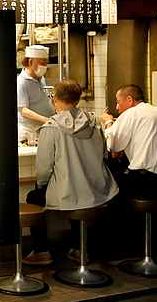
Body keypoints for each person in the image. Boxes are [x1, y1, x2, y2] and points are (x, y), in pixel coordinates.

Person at [24, 80, 119, 266]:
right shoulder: (94, 122)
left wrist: (43, 184)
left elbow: (43, 169)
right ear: (77, 100)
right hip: (98, 191)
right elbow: (103, 154)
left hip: (69, 194)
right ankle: (78, 247)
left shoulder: (51, 127)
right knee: (82, 199)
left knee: (34, 196)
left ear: (55, 100)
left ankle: (43, 251)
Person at [100, 84, 157, 261]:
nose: (116, 107)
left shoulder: (130, 114)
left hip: (146, 180)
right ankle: (150, 252)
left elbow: (113, 145)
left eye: (118, 102)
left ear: (129, 100)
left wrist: (107, 122)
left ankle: (117, 251)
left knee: (108, 191)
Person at [17, 44, 54, 144]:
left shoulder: (41, 78)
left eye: (46, 63)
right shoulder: (21, 82)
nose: (45, 66)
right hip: (29, 133)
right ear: (30, 62)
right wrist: (47, 120)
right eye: (42, 63)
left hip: (43, 130)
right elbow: (23, 111)